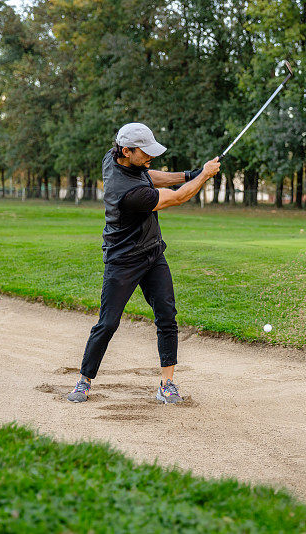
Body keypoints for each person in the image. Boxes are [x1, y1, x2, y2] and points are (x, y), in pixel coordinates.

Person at [68, 122, 220, 404]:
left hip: (152, 254)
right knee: (108, 323)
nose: (150, 156)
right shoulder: (129, 193)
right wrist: (204, 176)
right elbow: (177, 197)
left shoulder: (113, 158)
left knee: (167, 315)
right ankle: (84, 381)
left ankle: (167, 384)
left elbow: (150, 175)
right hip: (123, 260)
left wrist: (190, 173)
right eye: (145, 151)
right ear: (126, 150)